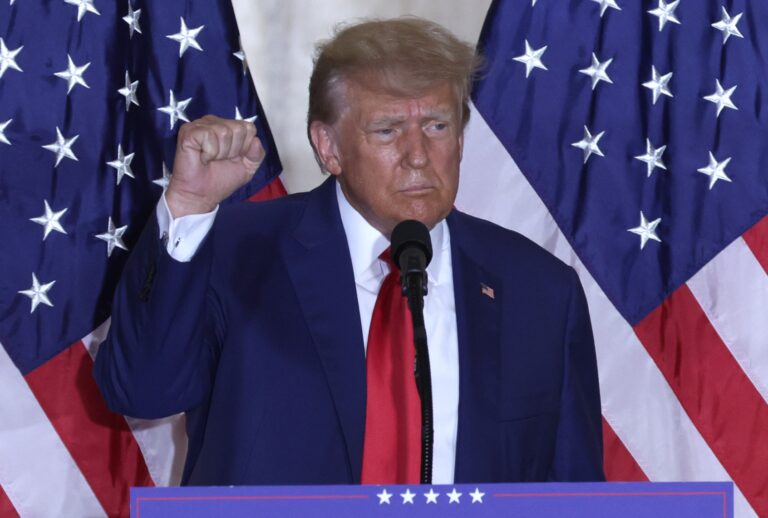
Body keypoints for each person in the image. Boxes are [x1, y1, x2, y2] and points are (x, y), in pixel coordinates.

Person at [94, 17, 604, 486]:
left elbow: (574, 492)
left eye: (437, 125)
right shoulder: (236, 252)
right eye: (387, 129)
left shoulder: (539, 289)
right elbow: (143, 392)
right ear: (328, 147)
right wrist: (189, 205)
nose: (418, 155)